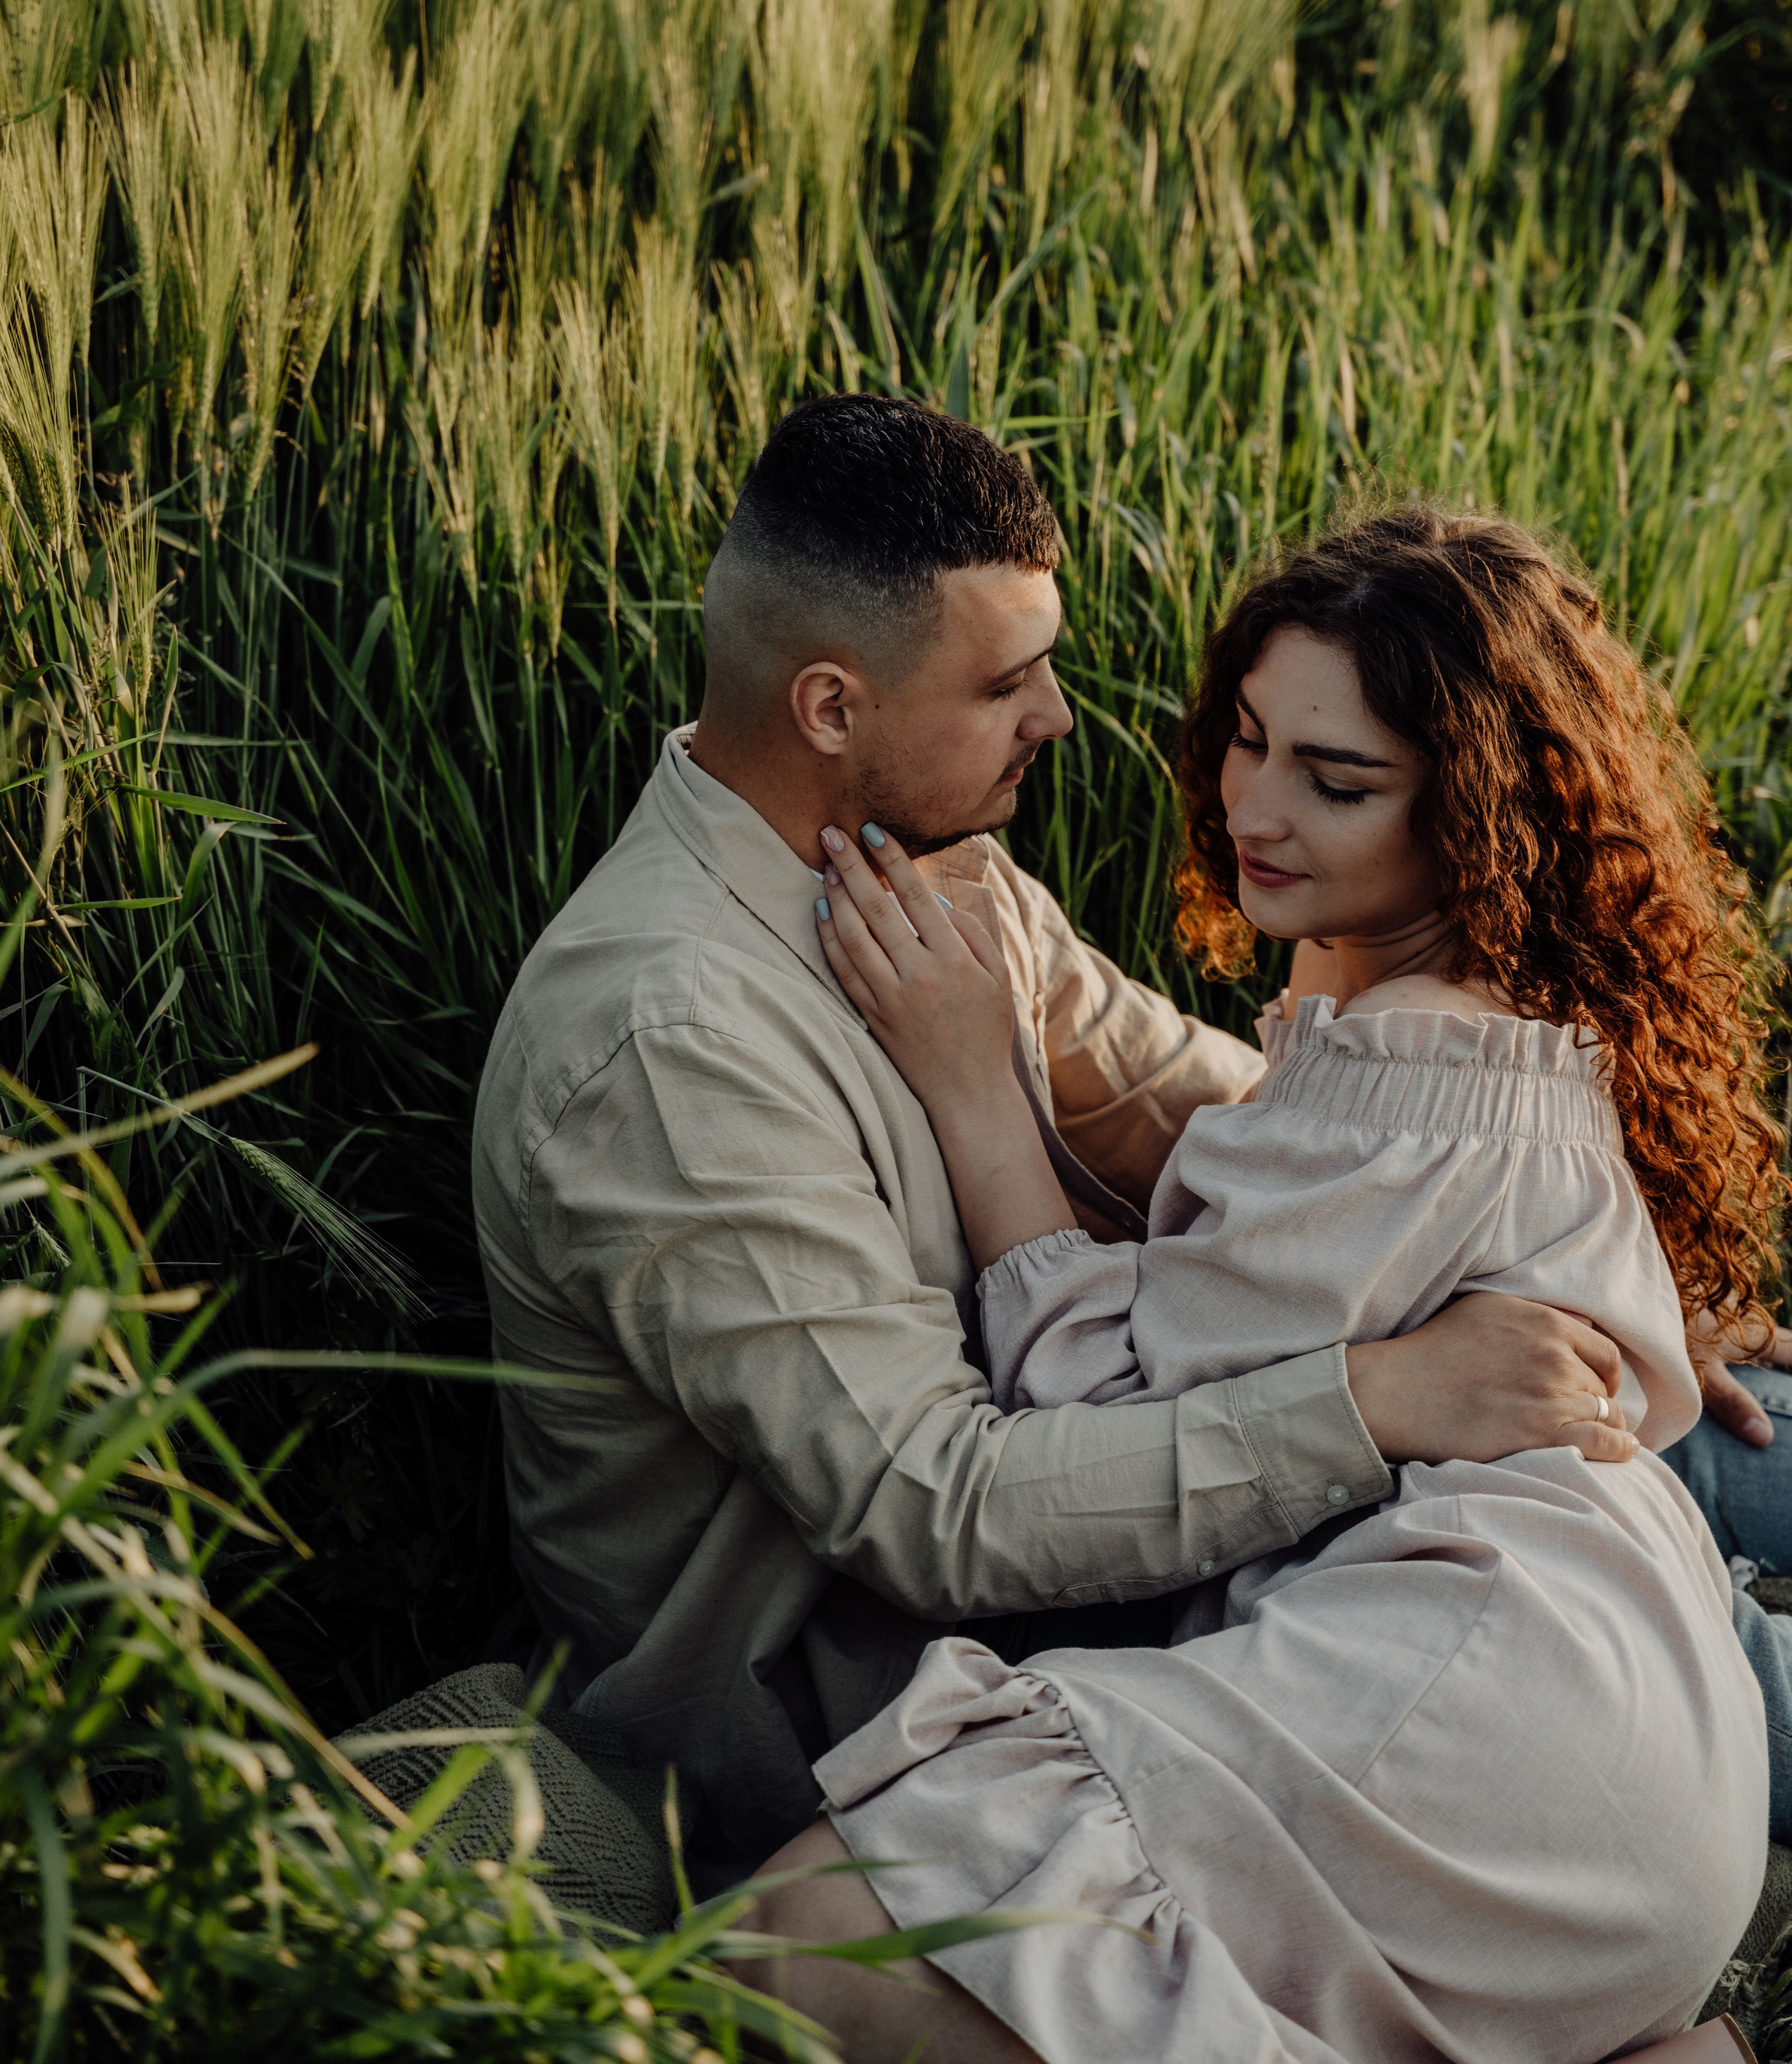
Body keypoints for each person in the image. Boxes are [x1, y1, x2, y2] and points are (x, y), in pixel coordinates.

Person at [471, 400, 1650, 1883]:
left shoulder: (935, 871)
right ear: (830, 707)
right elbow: (933, 1508)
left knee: (1678, 1436)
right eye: (1006, 681)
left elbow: (1210, 1106)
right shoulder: (668, 1038)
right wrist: (1382, 1396)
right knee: (1590, 1582)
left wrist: (1552, 1230)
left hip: (1109, 1571)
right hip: (877, 1719)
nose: (1060, 717)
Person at [755, 508, 1781, 2062]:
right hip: (1624, 1722)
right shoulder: (1449, 1013)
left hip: (1498, 1712)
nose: (1255, 805)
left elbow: (1095, 1411)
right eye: (1246, 738)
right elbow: (1257, 1188)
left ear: (1471, 811)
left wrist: (972, 1088)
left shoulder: (1414, 1065)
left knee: (799, 1942)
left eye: (1337, 780)